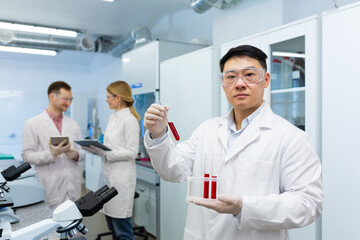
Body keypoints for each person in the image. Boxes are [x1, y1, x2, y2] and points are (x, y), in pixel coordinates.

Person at [143, 45, 323, 240]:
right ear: (223, 84)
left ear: (266, 80)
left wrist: (244, 207)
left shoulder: (290, 137)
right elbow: (172, 170)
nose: (239, 83)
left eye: (249, 75)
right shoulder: (207, 130)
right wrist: (159, 133)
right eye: (231, 77)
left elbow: (308, 204)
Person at [82, 81, 140, 240]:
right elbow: (110, 146)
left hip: (121, 180)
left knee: (122, 229)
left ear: (118, 98)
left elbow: (132, 152)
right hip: (108, 177)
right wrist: (95, 148)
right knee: (112, 225)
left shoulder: (129, 120)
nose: (106, 100)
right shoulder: (113, 117)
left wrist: (105, 153)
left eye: (109, 97)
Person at [22, 81, 85, 210]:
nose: (68, 103)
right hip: (50, 185)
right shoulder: (32, 123)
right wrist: (52, 154)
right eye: (65, 99)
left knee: (73, 223)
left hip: (72, 183)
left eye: (70, 99)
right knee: (53, 227)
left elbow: (82, 151)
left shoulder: (73, 124)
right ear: (52, 97)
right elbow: (27, 155)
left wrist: (77, 154)